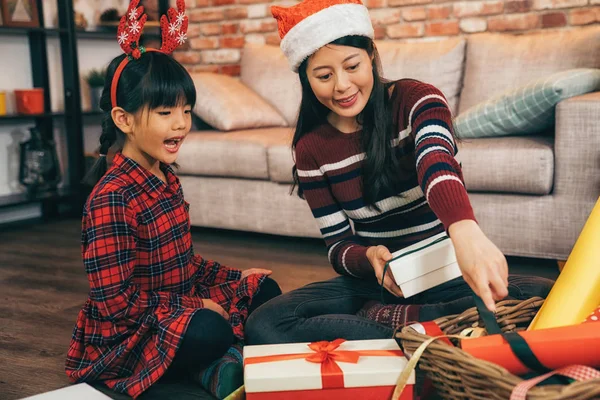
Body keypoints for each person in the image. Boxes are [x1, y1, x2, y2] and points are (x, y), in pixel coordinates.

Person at [245, 0, 553, 345]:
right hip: (377, 284)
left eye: (352, 66)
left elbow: (436, 162)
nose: (342, 86)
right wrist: (368, 258)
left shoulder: (418, 100)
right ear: (306, 79)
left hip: (446, 271)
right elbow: (338, 246)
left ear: (371, 56)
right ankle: (439, 327)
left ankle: (394, 327)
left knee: (547, 295)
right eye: (324, 76)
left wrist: (464, 230)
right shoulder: (310, 148)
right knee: (267, 322)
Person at [64, 2, 281, 399]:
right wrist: (196, 306)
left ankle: (218, 359)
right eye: (165, 112)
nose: (181, 123)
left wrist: (235, 277)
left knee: (263, 289)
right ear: (123, 119)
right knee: (207, 328)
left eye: (185, 110)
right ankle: (215, 364)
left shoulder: (165, 179)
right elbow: (117, 305)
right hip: (131, 332)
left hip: (176, 303)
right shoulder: (111, 199)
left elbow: (184, 264)